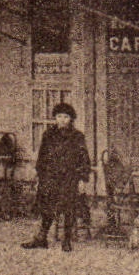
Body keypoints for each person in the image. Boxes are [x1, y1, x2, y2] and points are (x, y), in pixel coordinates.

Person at [24, 103, 90, 252]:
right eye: (59, 116)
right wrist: (39, 175)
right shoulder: (48, 135)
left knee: (68, 209)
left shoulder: (77, 137)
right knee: (47, 206)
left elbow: (84, 159)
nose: (62, 120)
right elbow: (42, 156)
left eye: (66, 117)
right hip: (50, 177)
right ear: (55, 117)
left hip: (69, 177)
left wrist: (82, 179)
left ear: (71, 119)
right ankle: (42, 238)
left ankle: (66, 240)